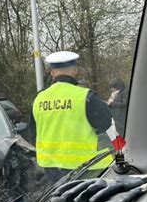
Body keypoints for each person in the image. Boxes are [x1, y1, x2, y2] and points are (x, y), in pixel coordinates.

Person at [29, 51, 117, 183]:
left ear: (52, 73)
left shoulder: (38, 99)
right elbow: (109, 128)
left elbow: (33, 134)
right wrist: (123, 156)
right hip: (86, 169)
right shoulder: (86, 97)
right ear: (75, 70)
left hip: (52, 169)